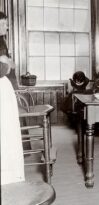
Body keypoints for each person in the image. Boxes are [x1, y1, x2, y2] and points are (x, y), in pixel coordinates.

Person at [0, 11, 25, 185]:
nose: (6, 27)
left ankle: (11, 174)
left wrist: (6, 62)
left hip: (5, 88)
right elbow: (4, 69)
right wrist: (6, 64)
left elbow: (12, 66)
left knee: (9, 131)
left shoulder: (2, 42)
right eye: (3, 24)